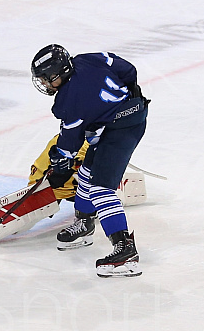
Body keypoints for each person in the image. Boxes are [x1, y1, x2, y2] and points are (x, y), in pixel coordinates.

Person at [30, 44, 149, 277]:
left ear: (60, 73)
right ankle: (84, 224)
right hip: (127, 117)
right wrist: (129, 93)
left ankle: (125, 250)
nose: (44, 84)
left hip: (121, 130)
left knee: (100, 189)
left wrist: (60, 161)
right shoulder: (87, 59)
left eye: (46, 79)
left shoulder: (68, 100)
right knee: (86, 173)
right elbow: (127, 69)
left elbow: (70, 142)